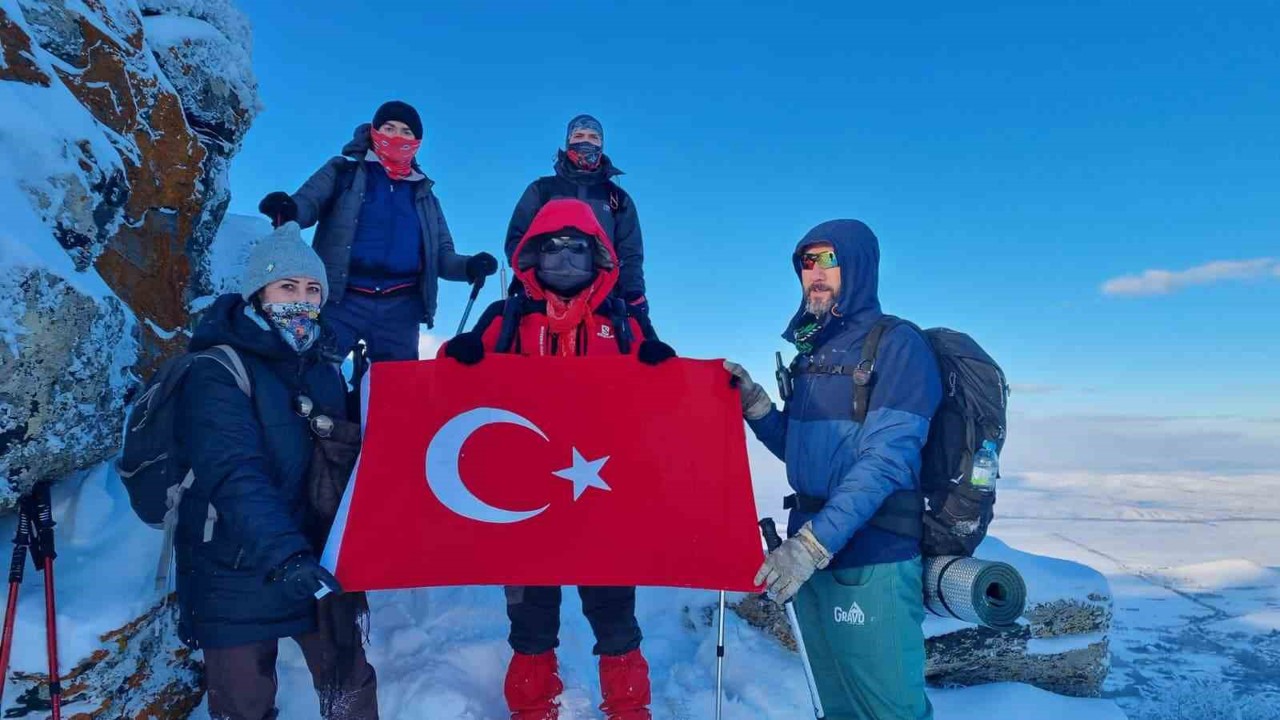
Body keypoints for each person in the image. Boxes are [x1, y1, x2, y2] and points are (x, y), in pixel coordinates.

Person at [442, 198, 673, 720]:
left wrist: (667, 370)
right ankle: (530, 709)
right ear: (532, 257)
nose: (565, 259)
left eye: (577, 248)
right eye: (552, 248)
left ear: (599, 257)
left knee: (615, 618)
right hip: (522, 499)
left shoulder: (625, 322)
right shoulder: (504, 319)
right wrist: (456, 361)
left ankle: (629, 709)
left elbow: (662, 403)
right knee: (530, 622)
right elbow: (447, 403)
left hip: (601, 497)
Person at [724, 220, 941, 720]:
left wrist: (812, 546)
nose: (815, 273)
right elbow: (808, 457)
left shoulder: (896, 344)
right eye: (807, 261)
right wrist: (757, 406)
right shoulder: (813, 351)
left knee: (889, 709)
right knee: (834, 701)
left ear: (858, 266)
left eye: (829, 260)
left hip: (872, 554)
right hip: (812, 552)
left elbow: (887, 461)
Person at [174, 222, 378, 719]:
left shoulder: (324, 369)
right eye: (287, 286)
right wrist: (286, 555)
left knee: (350, 692)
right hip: (234, 565)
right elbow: (232, 473)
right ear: (257, 293)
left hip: (315, 560)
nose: (301, 300)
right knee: (244, 705)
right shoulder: (217, 369)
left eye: (312, 289)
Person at [258, 100, 497, 362]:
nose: (397, 137)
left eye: (406, 132)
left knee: (397, 391)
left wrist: (468, 266)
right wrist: (289, 209)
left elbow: (440, 254)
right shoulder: (343, 171)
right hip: (341, 299)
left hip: (401, 307)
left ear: (417, 141)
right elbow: (308, 202)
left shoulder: (424, 194)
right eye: (389, 128)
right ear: (374, 131)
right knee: (316, 376)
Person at [504, 114, 649, 317]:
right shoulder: (541, 190)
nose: (586, 141)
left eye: (593, 137)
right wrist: (535, 281)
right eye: (579, 135)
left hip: (602, 302)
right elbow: (516, 241)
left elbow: (630, 252)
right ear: (568, 141)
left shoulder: (617, 198)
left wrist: (634, 293)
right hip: (540, 300)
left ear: (602, 144)